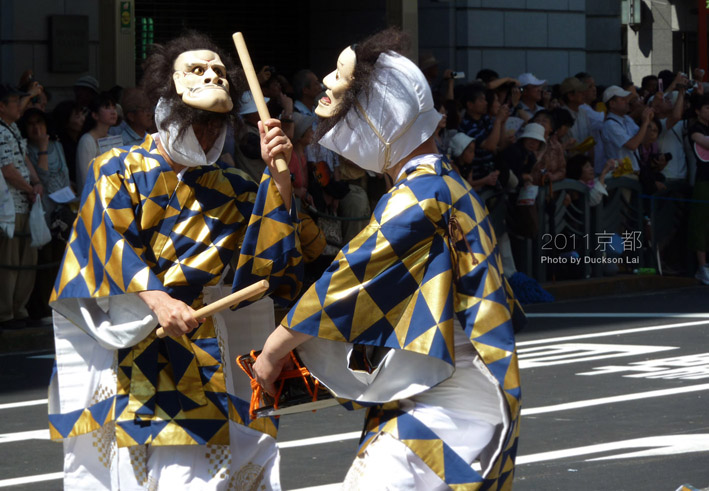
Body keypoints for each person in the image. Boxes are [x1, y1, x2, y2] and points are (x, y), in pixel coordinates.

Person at [253, 29, 524, 490]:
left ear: (380, 119)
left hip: (452, 399)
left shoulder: (421, 195)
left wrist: (273, 352)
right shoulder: (442, 182)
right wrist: (281, 181)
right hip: (439, 389)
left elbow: (347, 280)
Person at [48, 32, 303, 490]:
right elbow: (103, 243)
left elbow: (269, 257)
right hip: (135, 335)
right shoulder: (117, 168)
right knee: (135, 468)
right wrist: (158, 300)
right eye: (196, 123)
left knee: (201, 472)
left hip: (203, 342)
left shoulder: (234, 185)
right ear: (167, 111)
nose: (206, 135)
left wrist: (278, 177)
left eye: (214, 125)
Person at [0, 84, 44, 329]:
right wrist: (30, 189)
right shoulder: (0, 131)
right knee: (9, 262)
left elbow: (24, 157)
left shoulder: (12, 127)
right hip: (9, 207)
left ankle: (20, 310)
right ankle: (5, 313)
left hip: (27, 204)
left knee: (27, 261)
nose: (20, 106)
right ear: (1, 106)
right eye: (15, 102)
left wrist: (35, 182)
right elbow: (7, 170)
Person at [601, 85, 654, 172]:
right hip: (620, 173)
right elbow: (633, 145)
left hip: (633, 171)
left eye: (626, 99)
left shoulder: (627, 119)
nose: (627, 102)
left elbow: (643, 138)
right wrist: (645, 123)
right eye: (623, 99)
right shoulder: (610, 125)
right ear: (612, 104)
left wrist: (648, 118)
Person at [75, 91, 118, 192]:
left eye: (114, 107)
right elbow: (86, 178)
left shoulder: (112, 138)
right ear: (95, 115)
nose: (113, 112)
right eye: (107, 107)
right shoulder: (87, 141)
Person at [687, 94, 709, 285]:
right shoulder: (695, 129)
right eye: (707, 108)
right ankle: (702, 267)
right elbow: (705, 143)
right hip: (704, 180)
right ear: (698, 111)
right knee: (701, 223)